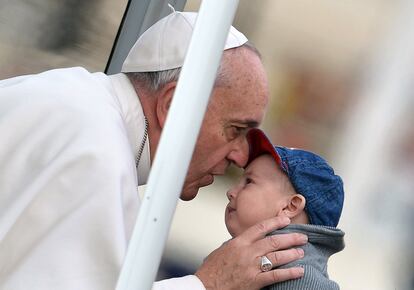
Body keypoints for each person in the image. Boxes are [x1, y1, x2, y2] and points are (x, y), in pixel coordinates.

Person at [0, 11, 307, 290]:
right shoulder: (98, 152)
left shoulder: (78, 101)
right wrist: (209, 284)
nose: (240, 157)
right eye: (236, 130)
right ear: (174, 106)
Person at [225, 128, 345, 289]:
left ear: (290, 206)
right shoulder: (238, 256)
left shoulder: (300, 279)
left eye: (249, 182)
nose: (230, 192)